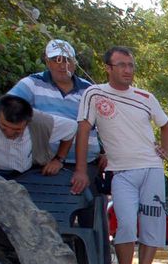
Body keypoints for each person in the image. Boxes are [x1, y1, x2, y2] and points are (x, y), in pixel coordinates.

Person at [71, 46, 168, 264]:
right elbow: (83, 130)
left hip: (151, 167)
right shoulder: (94, 94)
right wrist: (81, 169)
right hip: (121, 171)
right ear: (108, 68)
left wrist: (165, 151)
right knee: (126, 223)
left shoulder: (145, 97)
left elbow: (166, 124)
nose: (128, 70)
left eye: (131, 65)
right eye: (122, 65)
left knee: (153, 225)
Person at [8, 39, 103, 171]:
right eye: (56, 60)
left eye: (67, 60)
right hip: (41, 165)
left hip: (86, 165)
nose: (62, 65)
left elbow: (107, 124)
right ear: (47, 62)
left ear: (74, 63)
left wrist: (107, 153)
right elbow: (7, 107)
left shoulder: (89, 89)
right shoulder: (32, 83)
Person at [0, 95, 75, 176]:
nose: (9, 133)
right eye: (4, 126)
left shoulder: (41, 122)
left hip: (30, 173)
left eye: (17, 129)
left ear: (28, 121)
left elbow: (72, 127)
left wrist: (58, 160)